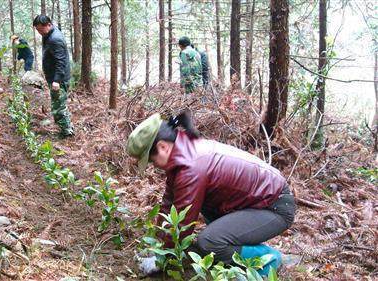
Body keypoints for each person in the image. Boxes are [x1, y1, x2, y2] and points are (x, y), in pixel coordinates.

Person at [126, 111, 296, 276]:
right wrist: (157, 245)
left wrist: (160, 259)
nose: (153, 165)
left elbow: (183, 222)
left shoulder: (191, 167)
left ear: (162, 146)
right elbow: (169, 205)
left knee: (209, 242)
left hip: (274, 207)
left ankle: (270, 259)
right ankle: (250, 250)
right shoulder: (182, 155)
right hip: (253, 203)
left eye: (151, 159)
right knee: (208, 220)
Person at [33, 15, 74, 138]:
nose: (39, 32)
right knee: (59, 104)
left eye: (41, 29)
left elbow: (61, 62)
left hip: (59, 80)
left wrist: (56, 80)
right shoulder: (49, 35)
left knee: (58, 107)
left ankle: (67, 132)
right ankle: (67, 128)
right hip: (55, 77)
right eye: (37, 30)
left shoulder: (55, 39)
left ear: (49, 25)